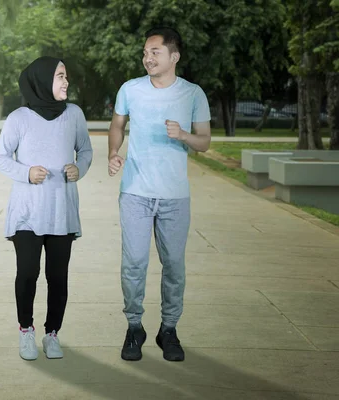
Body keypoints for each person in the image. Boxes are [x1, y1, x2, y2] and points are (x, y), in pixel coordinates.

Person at [107, 27, 211, 362]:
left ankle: (169, 329)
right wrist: (114, 152)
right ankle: (134, 327)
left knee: (174, 266)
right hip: (135, 192)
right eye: (145, 52)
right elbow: (117, 125)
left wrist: (182, 134)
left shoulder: (193, 94)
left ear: (174, 57)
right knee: (134, 263)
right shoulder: (130, 89)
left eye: (155, 52)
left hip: (174, 197)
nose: (147, 58)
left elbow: (204, 142)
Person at [0, 56, 93, 361]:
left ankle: (52, 334)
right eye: (60, 76)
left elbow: (85, 150)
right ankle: (26, 331)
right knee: (27, 272)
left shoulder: (74, 114)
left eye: (66, 76)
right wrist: (26, 173)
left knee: (57, 276)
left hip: (61, 210)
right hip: (27, 211)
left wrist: (80, 168)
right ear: (42, 80)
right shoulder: (19, 118)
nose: (66, 82)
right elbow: (1, 157)